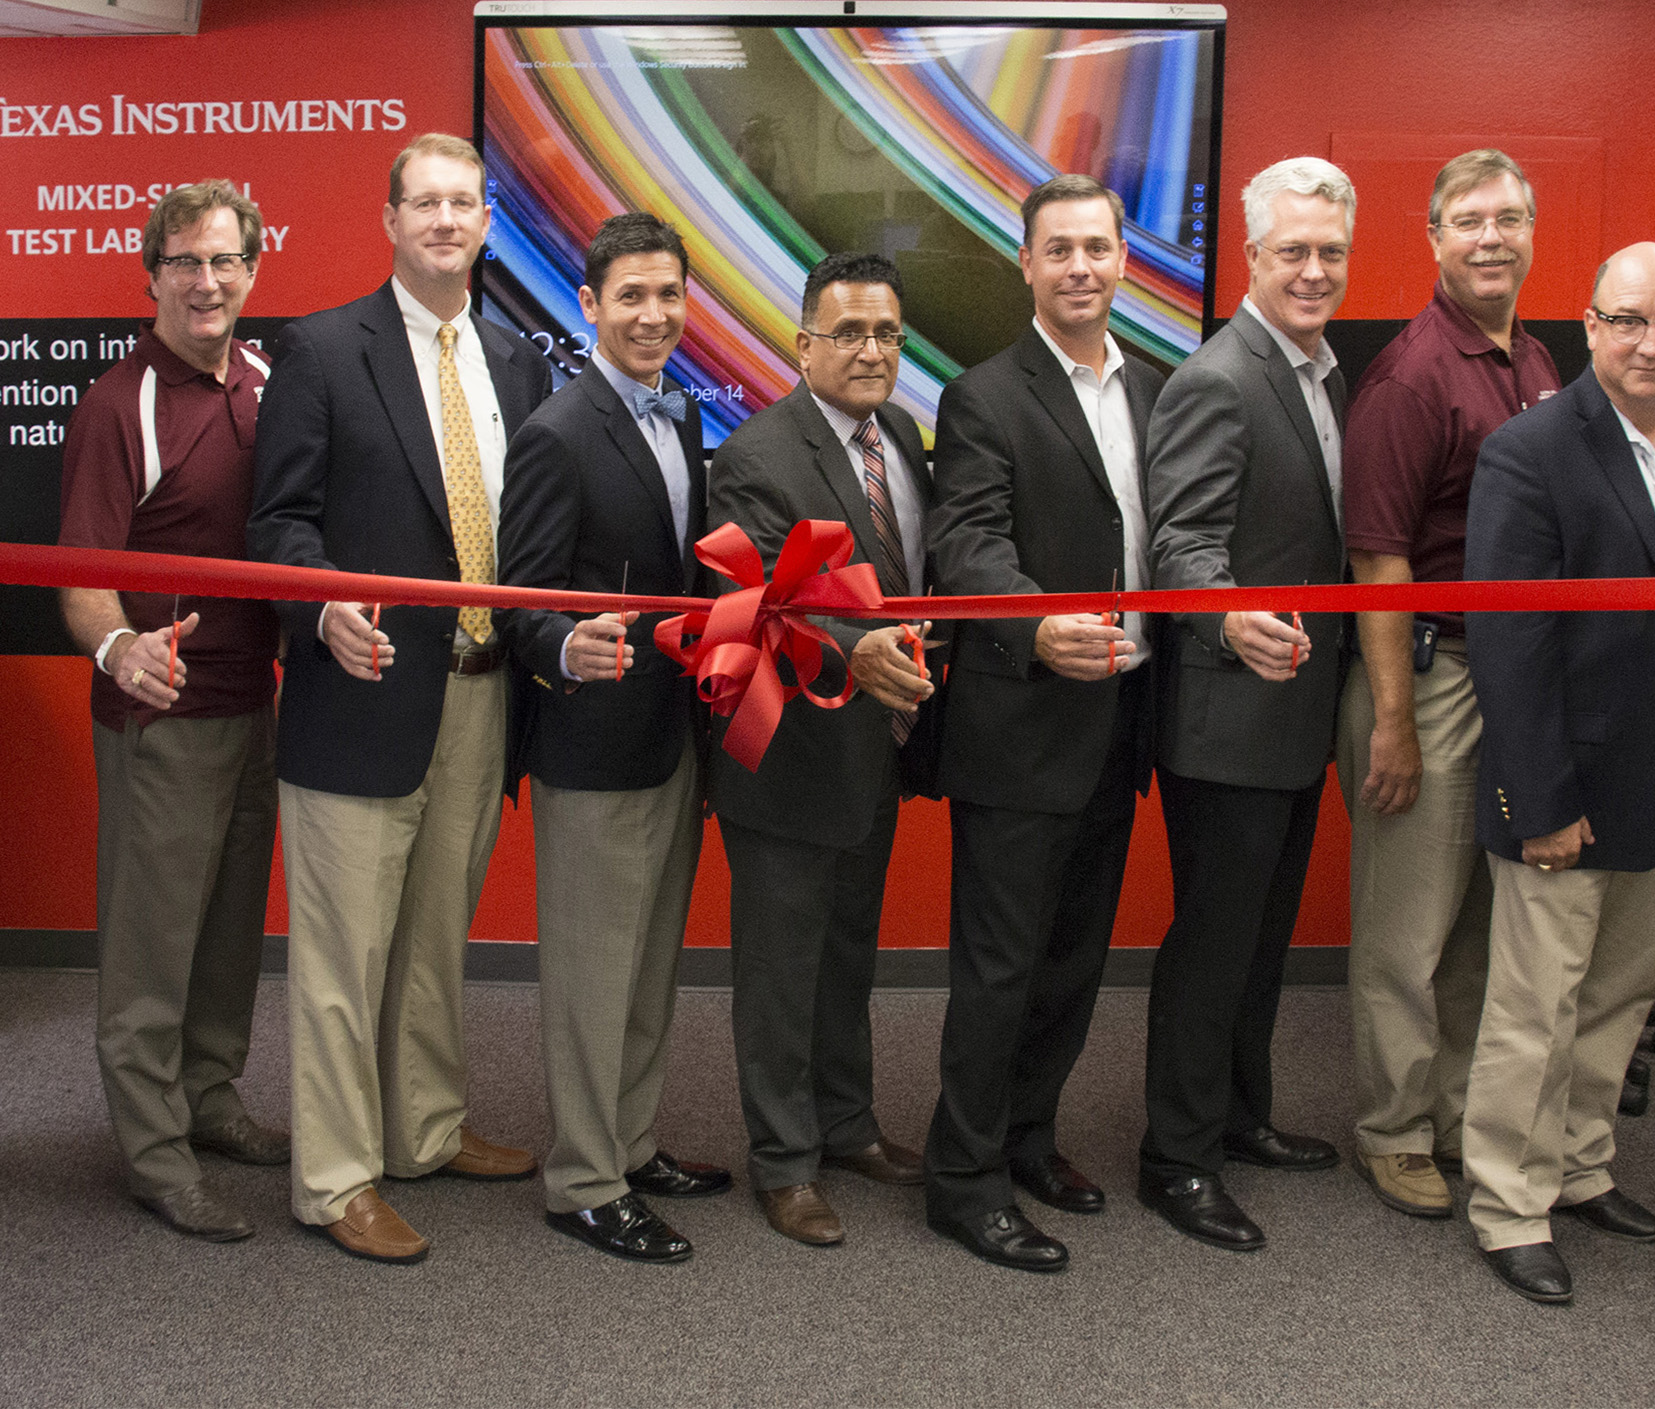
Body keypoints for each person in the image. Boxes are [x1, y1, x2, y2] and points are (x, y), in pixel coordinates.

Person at [248, 133, 547, 1265]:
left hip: (479, 691)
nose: (443, 220)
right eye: (422, 201)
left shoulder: (518, 364)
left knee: (432, 941)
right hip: (358, 691)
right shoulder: (323, 349)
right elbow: (278, 523)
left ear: (484, 222)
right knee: (342, 959)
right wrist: (321, 610)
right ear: (389, 220)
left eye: (462, 202)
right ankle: (333, 1180)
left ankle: (422, 1129)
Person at [1461, 241, 1655, 1304]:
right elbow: (1511, 643)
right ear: (1588, 325)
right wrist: (1541, 800)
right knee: (1535, 1005)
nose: (1650, 342)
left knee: (1620, 993)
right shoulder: (1532, 450)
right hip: (1567, 786)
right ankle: (1506, 1202)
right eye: (1628, 319)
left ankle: (1579, 1167)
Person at [920, 174, 1166, 1273]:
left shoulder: (1157, 392)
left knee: (1073, 963)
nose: (1079, 267)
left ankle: (1029, 1137)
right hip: (1022, 726)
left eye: (1097, 247)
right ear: (1025, 264)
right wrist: (1036, 624)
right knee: (1000, 967)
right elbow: (964, 546)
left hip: (1122, 721)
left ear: (1124, 260)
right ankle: (961, 1177)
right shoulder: (981, 395)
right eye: (1057, 249)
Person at [497, 213, 732, 1265]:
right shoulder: (555, 431)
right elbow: (518, 599)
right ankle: (584, 1180)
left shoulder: (677, 417)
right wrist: (559, 644)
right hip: (593, 744)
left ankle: (632, 1143)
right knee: (593, 974)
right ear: (588, 305)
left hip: (670, 735)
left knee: (646, 966)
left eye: (668, 295)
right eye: (630, 296)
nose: (652, 314)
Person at [58, 180, 289, 1244]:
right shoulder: (120, 403)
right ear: (152, 273)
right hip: (164, 715)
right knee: (153, 946)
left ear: (253, 270)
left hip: (258, 704)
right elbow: (81, 573)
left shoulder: (265, 377)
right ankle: (154, 1153)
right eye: (187, 262)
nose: (208, 281)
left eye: (226, 261)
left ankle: (207, 1098)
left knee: (231, 928)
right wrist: (117, 647)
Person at [1136, 155, 1355, 1254]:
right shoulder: (1219, 377)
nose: (1313, 270)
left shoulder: (1323, 373)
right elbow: (1179, 542)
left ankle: (1236, 1115)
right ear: (1252, 258)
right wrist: (1226, 614)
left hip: (1295, 716)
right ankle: (1176, 1161)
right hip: (1229, 716)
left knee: (1261, 941)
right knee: (1215, 944)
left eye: (1330, 252)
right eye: (1293, 252)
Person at [1337, 148, 1560, 1221]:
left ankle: (1461, 1111)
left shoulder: (1541, 360)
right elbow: (1378, 559)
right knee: (1407, 930)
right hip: (1428, 676)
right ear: (1433, 239)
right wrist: (1393, 721)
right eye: (1468, 220)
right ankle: (1392, 1129)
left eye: (1508, 219)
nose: (1490, 238)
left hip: (1516, 678)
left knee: (1481, 920)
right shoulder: (1411, 374)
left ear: (1530, 233)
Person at [705, 249, 939, 1247]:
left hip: (873, 755)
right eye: (848, 331)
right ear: (803, 343)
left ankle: (846, 1124)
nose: (871, 349)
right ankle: (786, 1161)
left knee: (848, 955)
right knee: (782, 969)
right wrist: (860, 651)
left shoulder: (910, 446)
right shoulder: (760, 451)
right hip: (792, 755)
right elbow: (756, 595)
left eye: (887, 332)